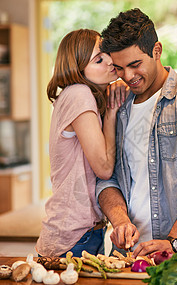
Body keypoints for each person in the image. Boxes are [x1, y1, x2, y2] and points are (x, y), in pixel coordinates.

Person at [96, 8, 177, 258]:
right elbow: (106, 178)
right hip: (127, 257)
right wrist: (120, 220)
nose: (128, 76)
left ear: (157, 50)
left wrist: (174, 241)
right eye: (120, 68)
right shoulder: (116, 107)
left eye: (135, 65)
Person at [36, 29, 127, 257]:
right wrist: (112, 112)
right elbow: (104, 168)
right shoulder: (79, 94)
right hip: (72, 237)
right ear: (78, 69)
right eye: (98, 60)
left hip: (86, 232)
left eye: (106, 54)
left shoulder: (76, 95)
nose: (110, 62)